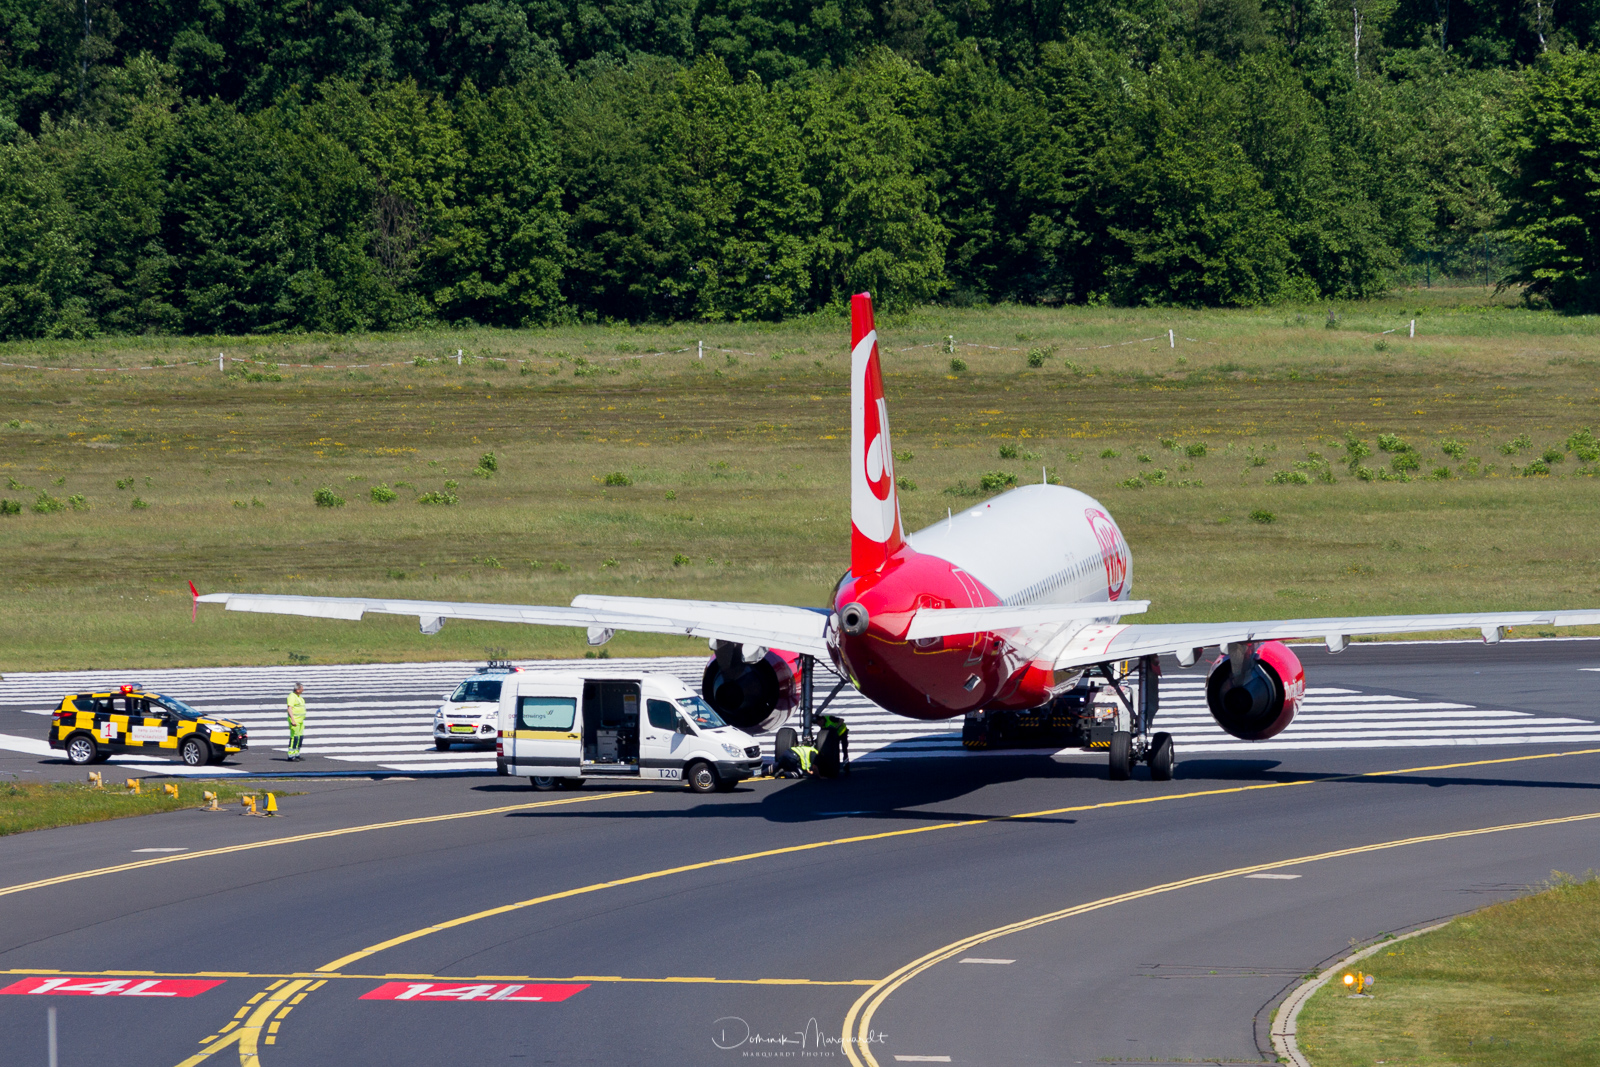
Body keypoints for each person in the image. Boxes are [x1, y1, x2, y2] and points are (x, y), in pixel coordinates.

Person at [286, 682, 306, 761]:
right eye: (301, 688)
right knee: (294, 738)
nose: (303, 690)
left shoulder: (299, 697)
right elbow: (289, 708)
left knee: (300, 738)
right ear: (297, 690)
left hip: (301, 721)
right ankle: (291, 755)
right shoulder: (292, 696)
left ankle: (297, 753)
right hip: (295, 721)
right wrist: (293, 720)